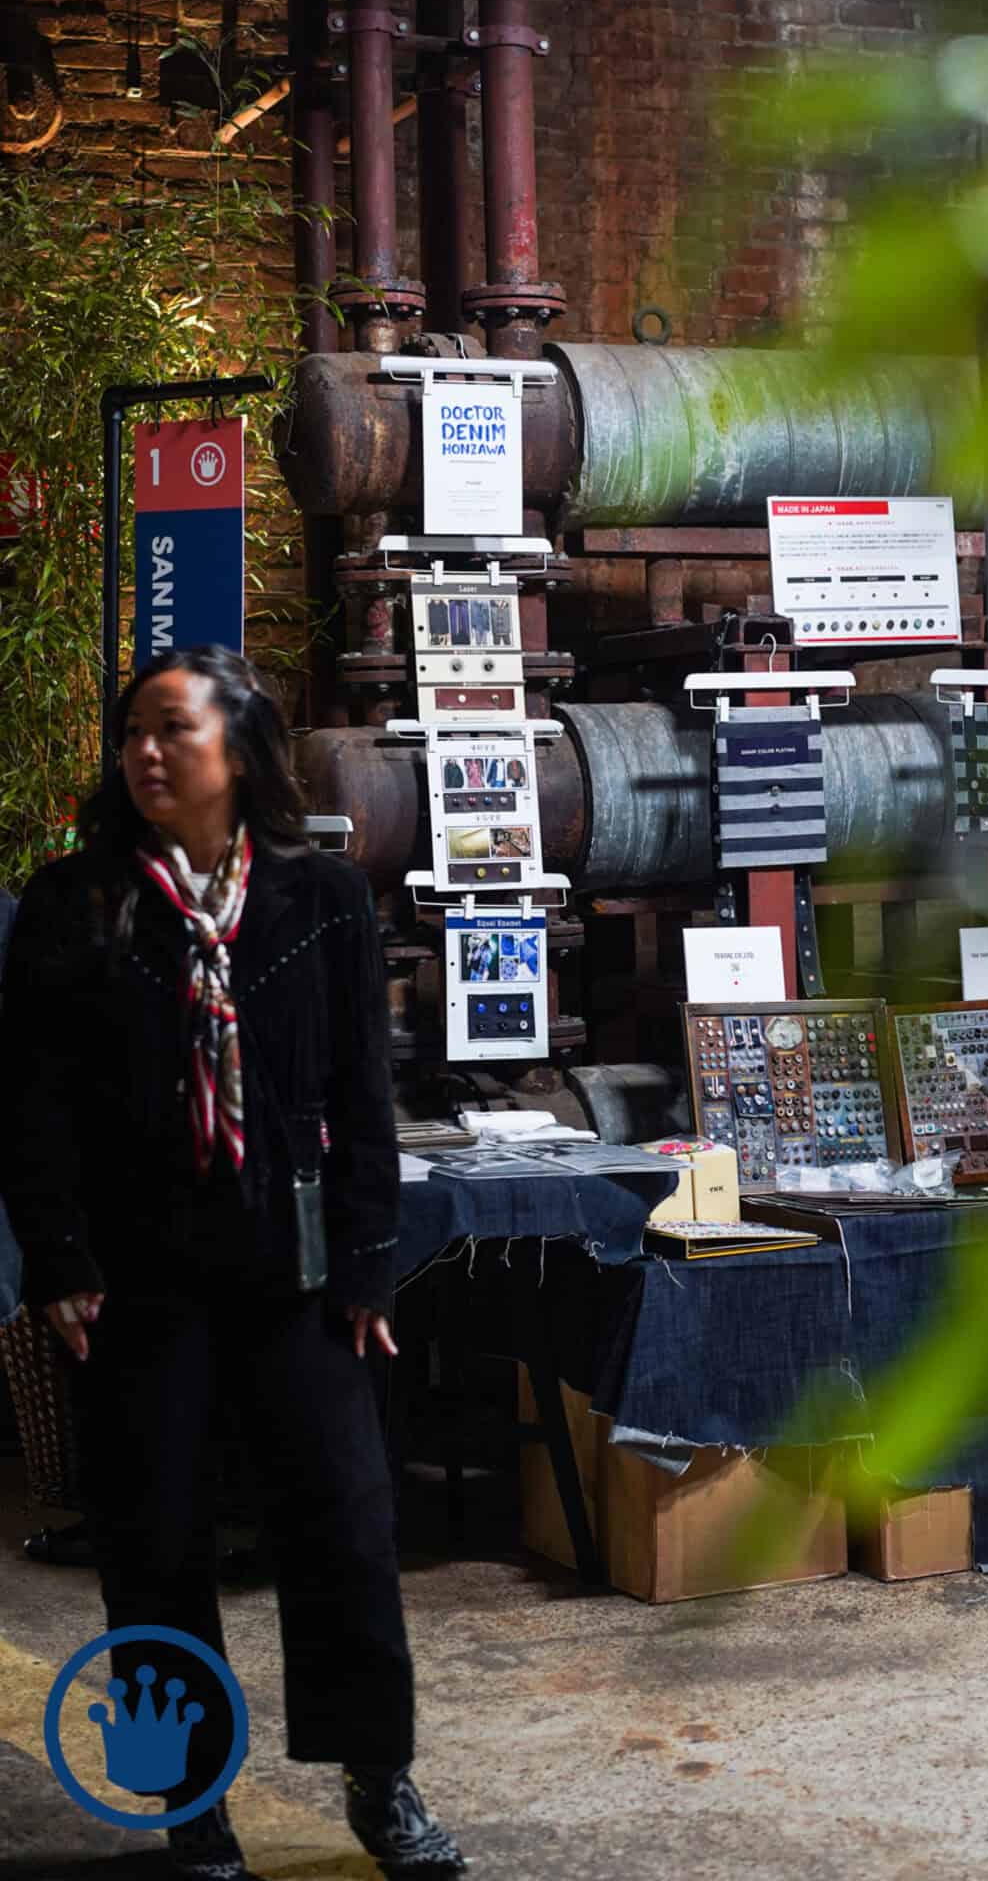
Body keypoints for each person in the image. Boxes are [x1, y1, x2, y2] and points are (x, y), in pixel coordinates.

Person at [0, 648, 466, 1881]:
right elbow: (29, 1102)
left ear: (241, 746)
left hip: (296, 1270)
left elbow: (364, 1097)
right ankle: (191, 1803)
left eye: (172, 728)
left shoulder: (323, 897)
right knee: (154, 1541)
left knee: (348, 1525)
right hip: (135, 1277)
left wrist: (368, 1266)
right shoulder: (74, 900)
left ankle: (379, 1777)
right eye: (131, 732)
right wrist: (58, 1256)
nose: (144, 752)